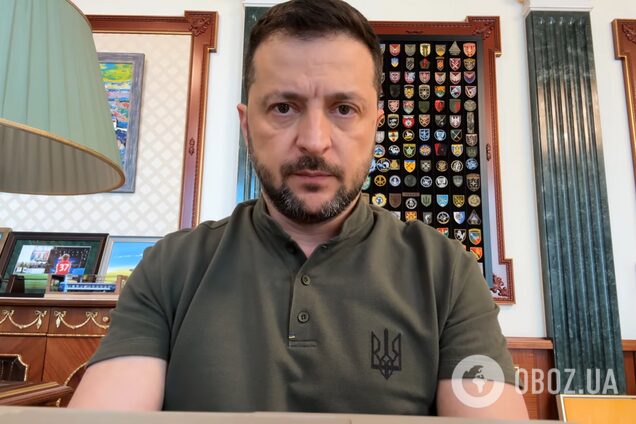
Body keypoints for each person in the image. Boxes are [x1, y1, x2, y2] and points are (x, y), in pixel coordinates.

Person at [70, 0, 528, 418]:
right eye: (284, 107)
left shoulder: (447, 273)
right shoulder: (170, 268)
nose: (313, 140)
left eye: (343, 109)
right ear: (246, 125)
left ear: (375, 128)